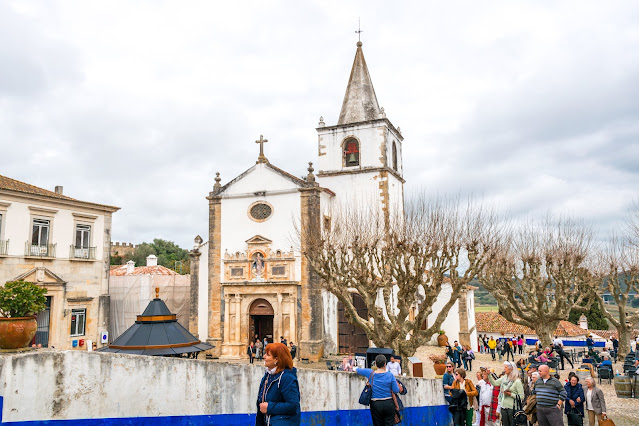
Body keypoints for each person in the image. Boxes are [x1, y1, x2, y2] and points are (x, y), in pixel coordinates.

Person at [255, 342, 301, 426]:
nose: (264, 357)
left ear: (276, 359)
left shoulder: (287, 378)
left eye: (268, 355)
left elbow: (293, 405)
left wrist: (269, 407)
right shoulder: (268, 375)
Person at [355, 354, 400, 426]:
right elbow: (396, 390)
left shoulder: (370, 373)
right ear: (385, 364)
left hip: (375, 404)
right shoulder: (390, 375)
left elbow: (357, 370)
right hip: (388, 403)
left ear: (375, 364)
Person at [487, 362, 524, 426]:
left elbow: (521, 396)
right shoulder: (504, 378)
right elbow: (495, 383)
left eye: (506, 367)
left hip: (512, 408)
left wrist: (510, 394)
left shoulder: (517, 381)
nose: (504, 369)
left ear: (511, 369)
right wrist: (489, 375)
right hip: (503, 406)